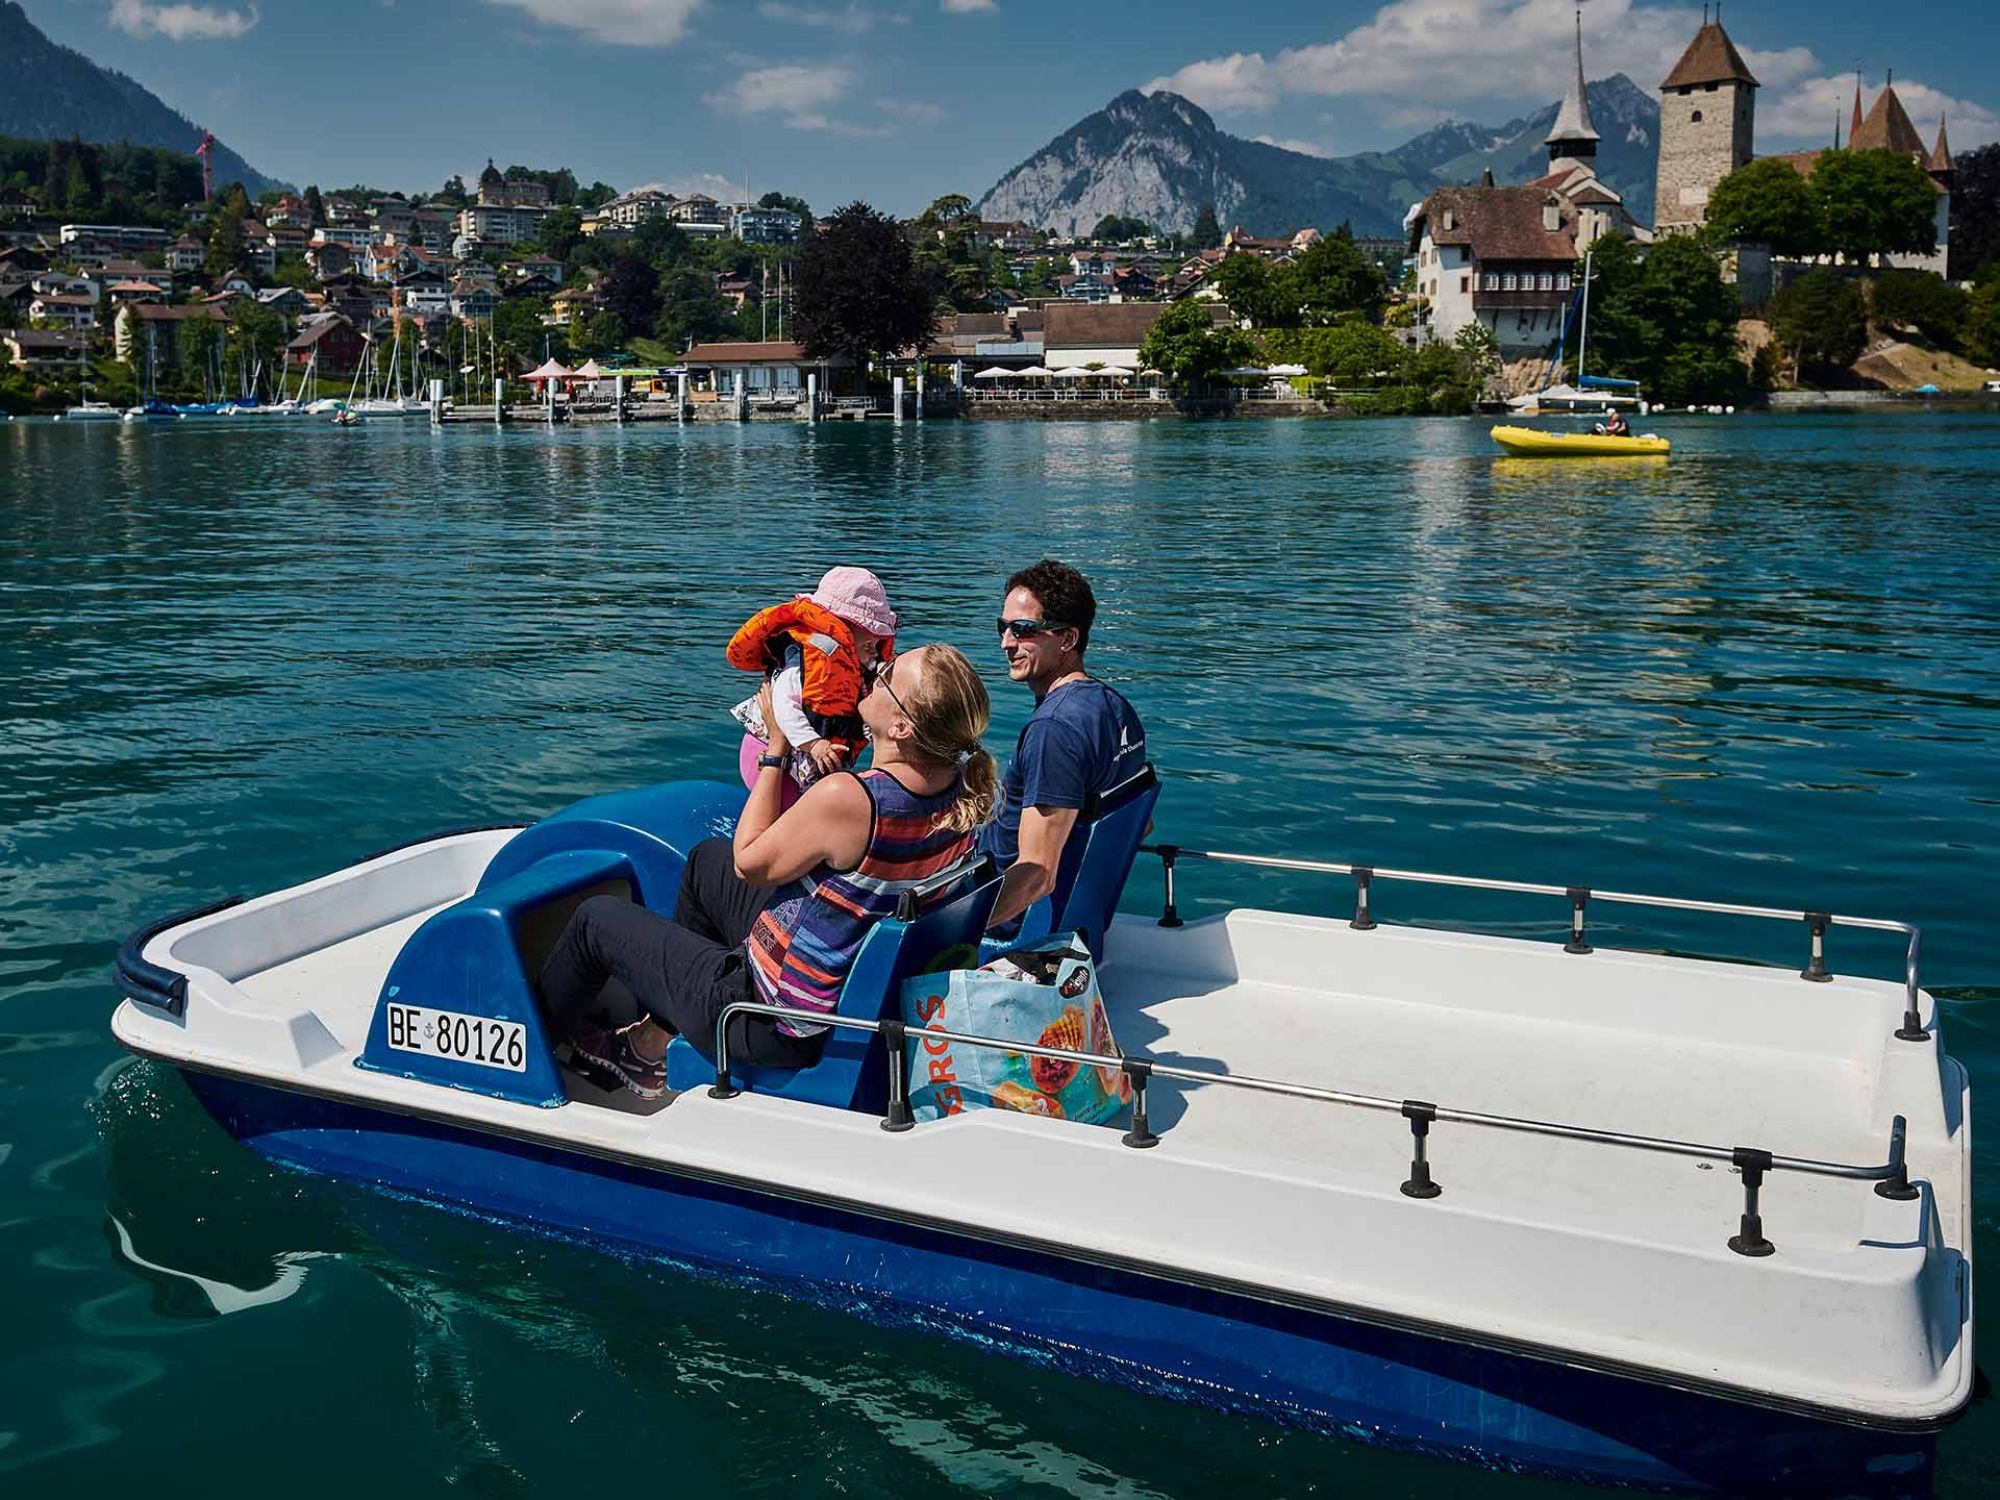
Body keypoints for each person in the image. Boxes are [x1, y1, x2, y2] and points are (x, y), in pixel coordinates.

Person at [545, 643, 997, 1098]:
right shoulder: (965, 793)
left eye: (888, 674)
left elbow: (749, 862)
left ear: (901, 727)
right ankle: (654, 1043)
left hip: (771, 1018)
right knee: (707, 863)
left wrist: (777, 746)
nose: (876, 670)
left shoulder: (851, 800)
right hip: (841, 991)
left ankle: (531, 1061)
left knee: (594, 921)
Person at [980, 560, 1146, 932]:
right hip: (1081, 911)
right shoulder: (1116, 707)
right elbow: (1141, 824)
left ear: (1068, 639)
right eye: (1003, 627)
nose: (1006, 642)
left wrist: (965, 927)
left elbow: (1037, 874)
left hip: (1012, 921)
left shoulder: (1052, 731)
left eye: (1023, 630)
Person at [728, 566, 898, 805]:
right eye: (869, 645)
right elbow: (783, 705)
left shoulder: (852, 667)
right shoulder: (805, 655)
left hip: (809, 761)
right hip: (772, 755)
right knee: (791, 816)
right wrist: (814, 744)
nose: (873, 654)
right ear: (842, 627)